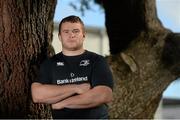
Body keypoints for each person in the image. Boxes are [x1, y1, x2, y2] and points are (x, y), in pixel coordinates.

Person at [31, 15, 114, 119]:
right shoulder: (50, 64)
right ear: (60, 37)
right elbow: (37, 95)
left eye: (76, 31)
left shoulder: (97, 61)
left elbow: (104, 95)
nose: (71, 35)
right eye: (66, 32)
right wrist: (76, 88)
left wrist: (62, 103)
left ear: (83, 35)